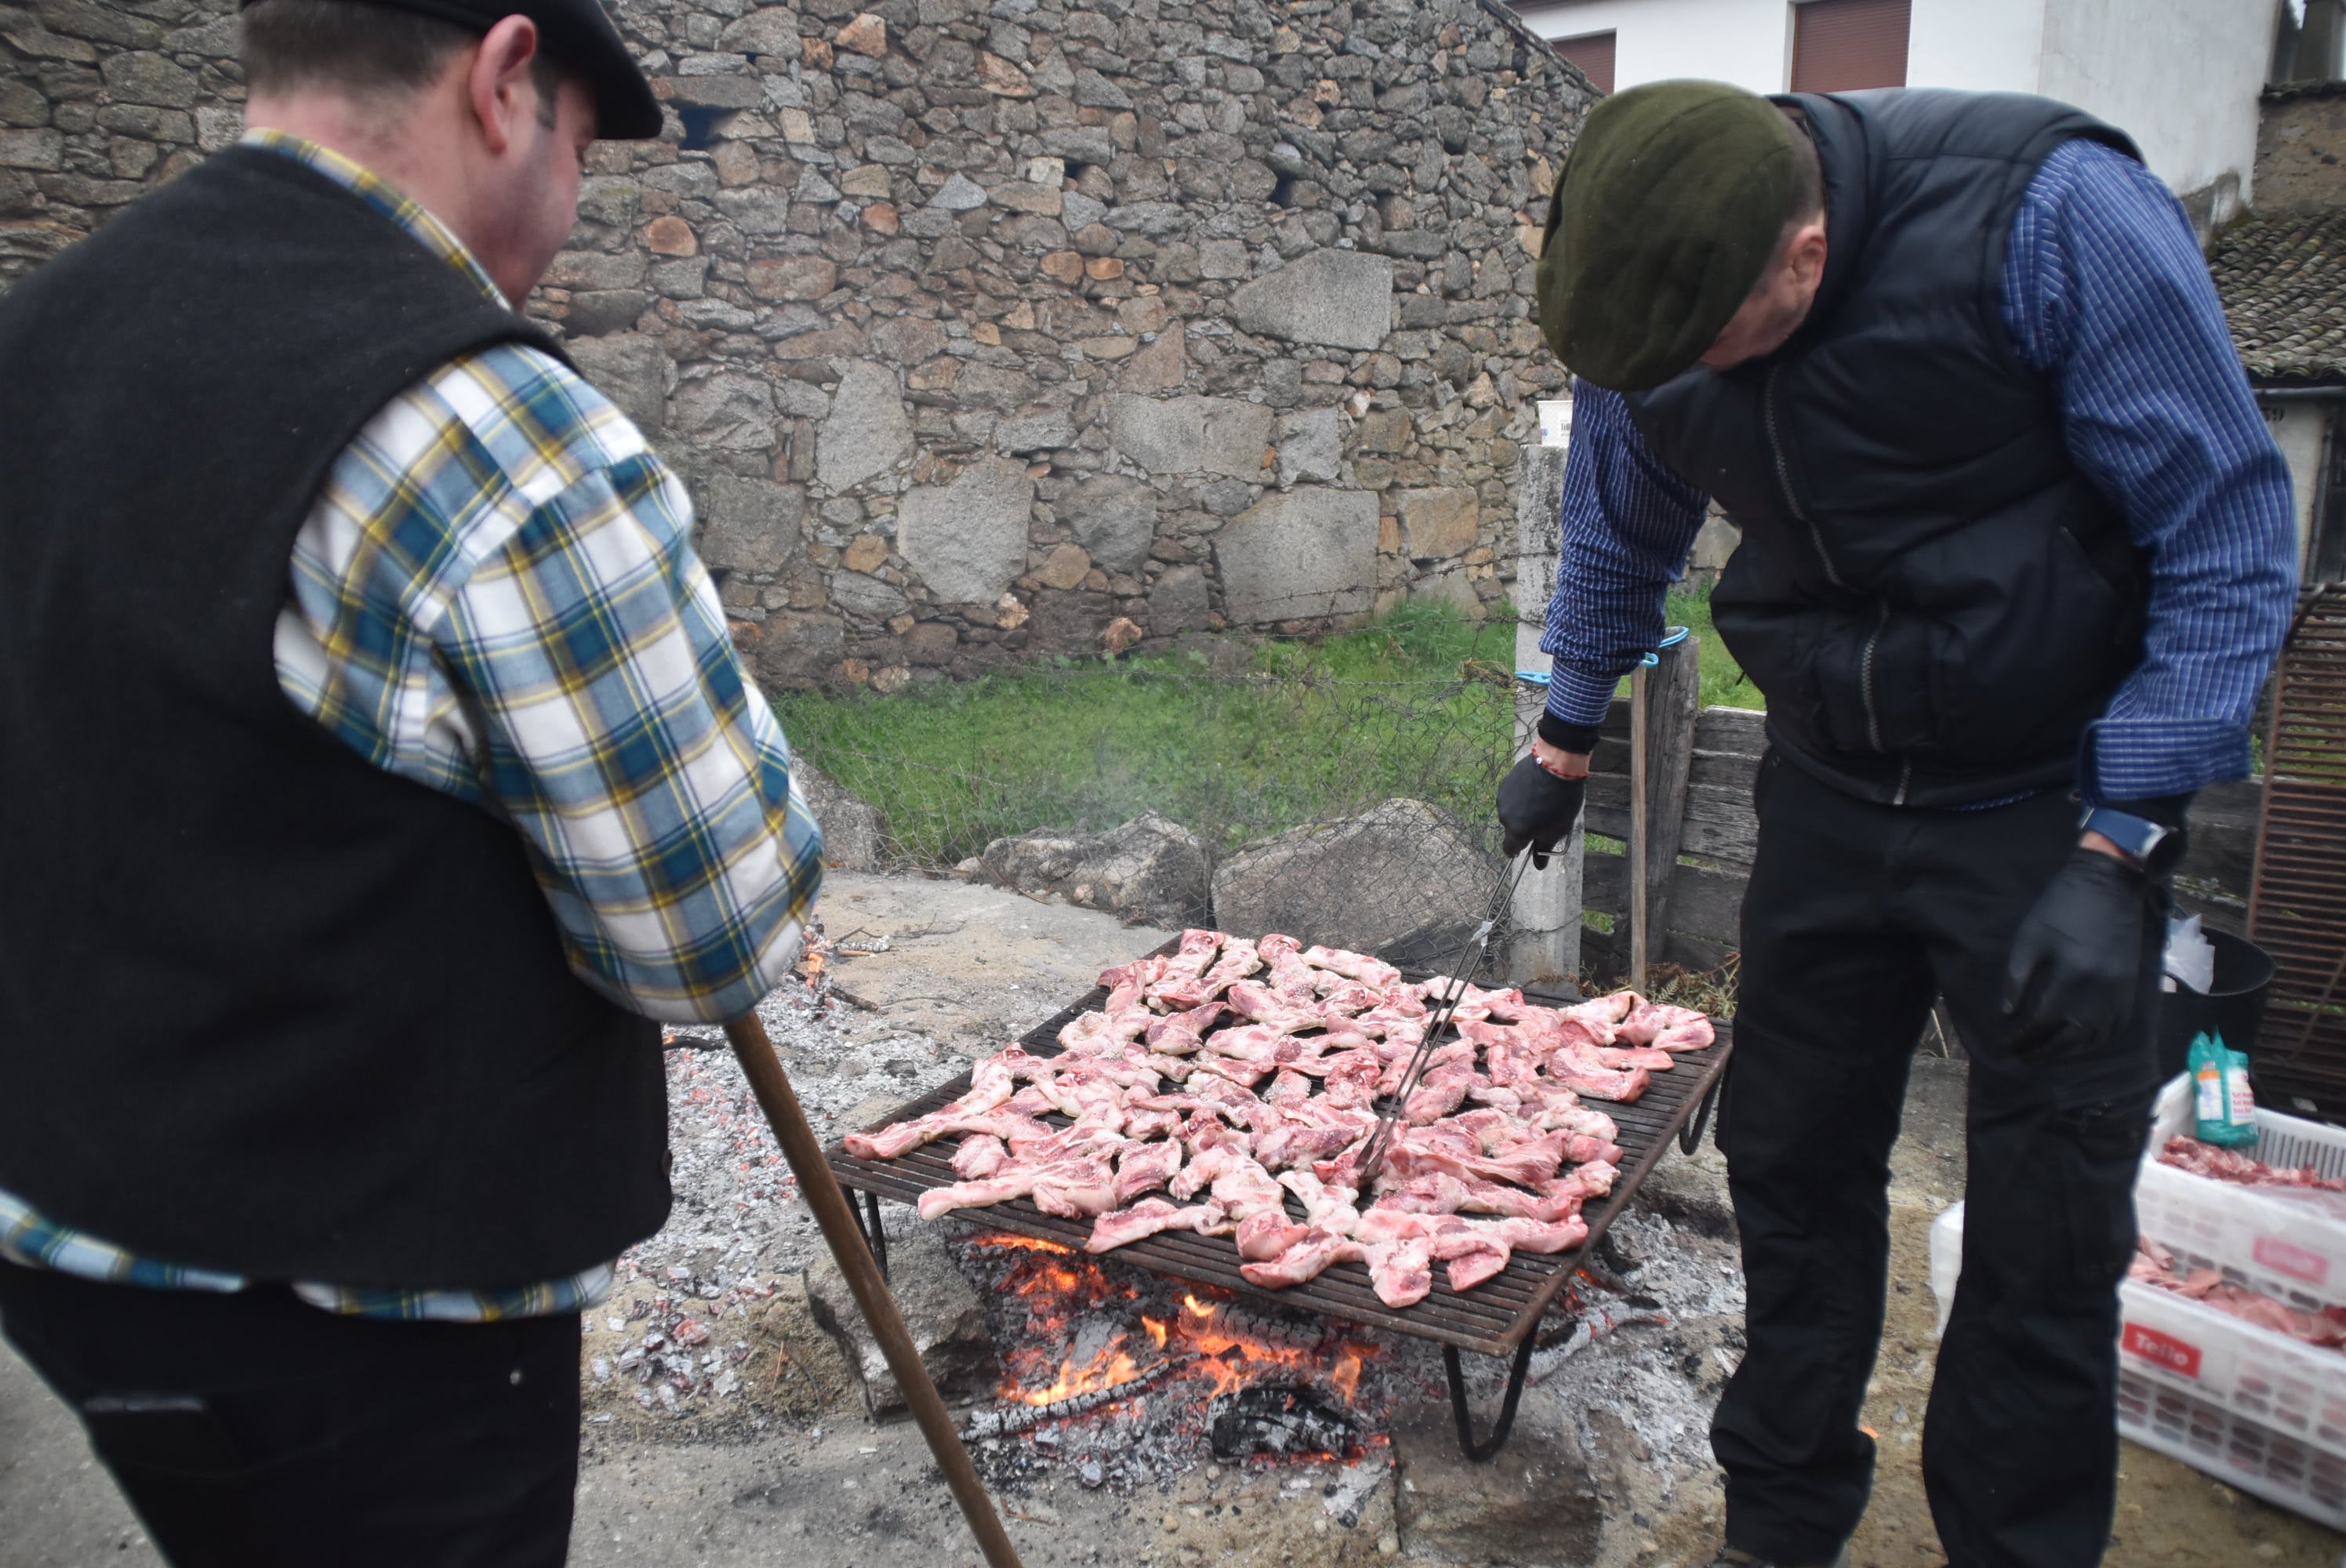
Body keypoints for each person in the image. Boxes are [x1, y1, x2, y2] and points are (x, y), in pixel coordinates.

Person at [0, 0, 823, 1561]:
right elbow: (712, 933)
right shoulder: (493, 430)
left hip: (68, 1232)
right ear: (506, 83)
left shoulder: (38, 333)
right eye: (580, 149)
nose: (570, 215)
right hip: (364, 1314)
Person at [1498, 82, 2297, 1568]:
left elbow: (2231, 532)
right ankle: (1781, 1524)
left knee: (2044, 1237)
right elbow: (1619, 524)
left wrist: (2122, 838)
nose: (1672, 389)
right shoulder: (1649, 292)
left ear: (1803, 258)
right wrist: (1566, 730)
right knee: (1792, 1171)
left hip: (2051, 803)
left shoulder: (2048, 217)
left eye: (1704, 354)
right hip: (1832, 791)